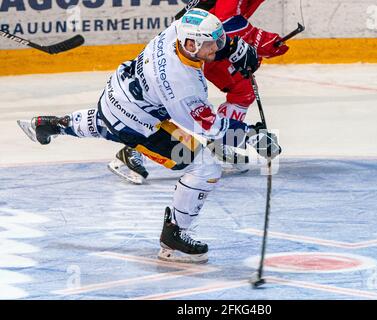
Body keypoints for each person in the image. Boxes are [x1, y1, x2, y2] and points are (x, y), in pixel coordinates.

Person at [17, 9, 281, 263]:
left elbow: (202, 30)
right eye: (211, 45)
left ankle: (51, 125)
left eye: (217, 42)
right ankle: (174, 236)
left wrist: (232, 47)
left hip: (118, 94)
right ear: (190, 45)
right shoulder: (181, 83)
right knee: (204, 165)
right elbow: (209, 128)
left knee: (105, 120)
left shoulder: (177, 31)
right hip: (138, 123)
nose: (216, 47)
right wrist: (251, 137)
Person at [109, 0, 290, 184]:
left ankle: (220, 144)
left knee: (243, 88)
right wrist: (257, 39)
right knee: (170, 101)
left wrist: (240, 48)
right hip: (190, 45)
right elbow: (224, 19)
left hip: (207, 41)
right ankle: (134, 145)